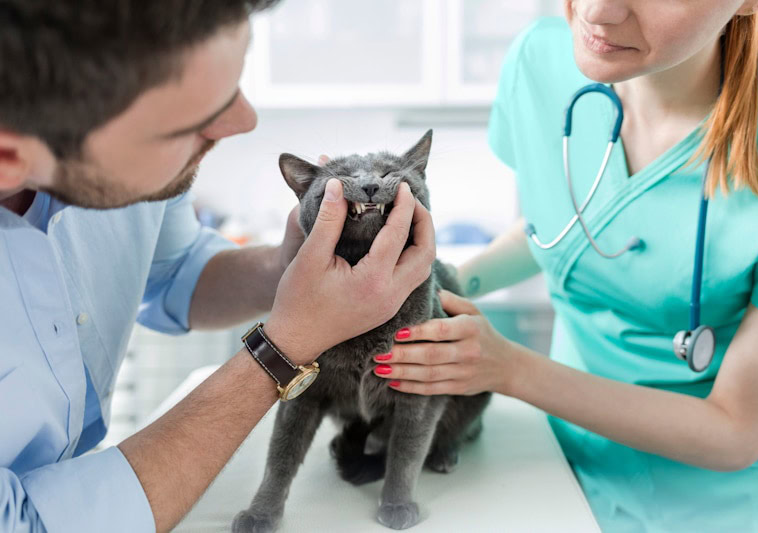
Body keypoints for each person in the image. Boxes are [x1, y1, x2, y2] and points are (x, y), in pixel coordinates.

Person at [0, 1, 435, 532]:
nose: (243, 121)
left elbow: (177, 269)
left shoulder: (125, 170)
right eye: (190, 119)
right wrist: (286, 345)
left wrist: (287, 267)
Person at [371, 1, 758, 530]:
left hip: (720, 504)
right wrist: (436, 283)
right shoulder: (541, 59)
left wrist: (506, 367)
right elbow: (565, 225)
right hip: (560, 467)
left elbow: (736, 431)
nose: (597, 11)